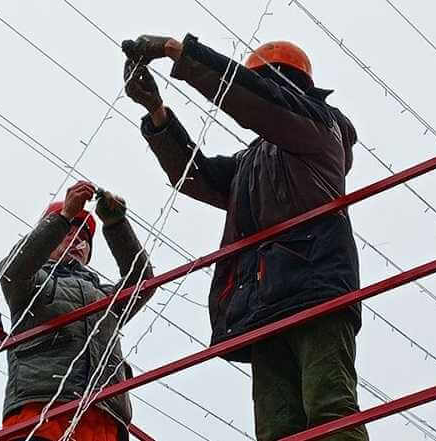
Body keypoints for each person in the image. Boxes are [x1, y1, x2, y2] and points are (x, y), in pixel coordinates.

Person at [122, 35, 368, 441]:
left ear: (292, 88)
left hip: (317, 293)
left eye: (269, 84)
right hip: (266, 304)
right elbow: (195, 176)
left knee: (330, 409)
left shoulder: (321, 127)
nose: (263, 93)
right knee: (276, 427)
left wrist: (176, 52)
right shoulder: (252, 162)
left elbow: (257, 101)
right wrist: (157, 112)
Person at [0, 181, 154, 441]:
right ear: (48, 239)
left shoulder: (104, 298)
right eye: (68, 233)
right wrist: (64, 216)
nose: (76, 241)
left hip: (105, 421)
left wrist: (116, 226)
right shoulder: (34, 284)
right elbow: (13, 271)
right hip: (44, 411)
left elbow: (143, 283)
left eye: (84, 238)